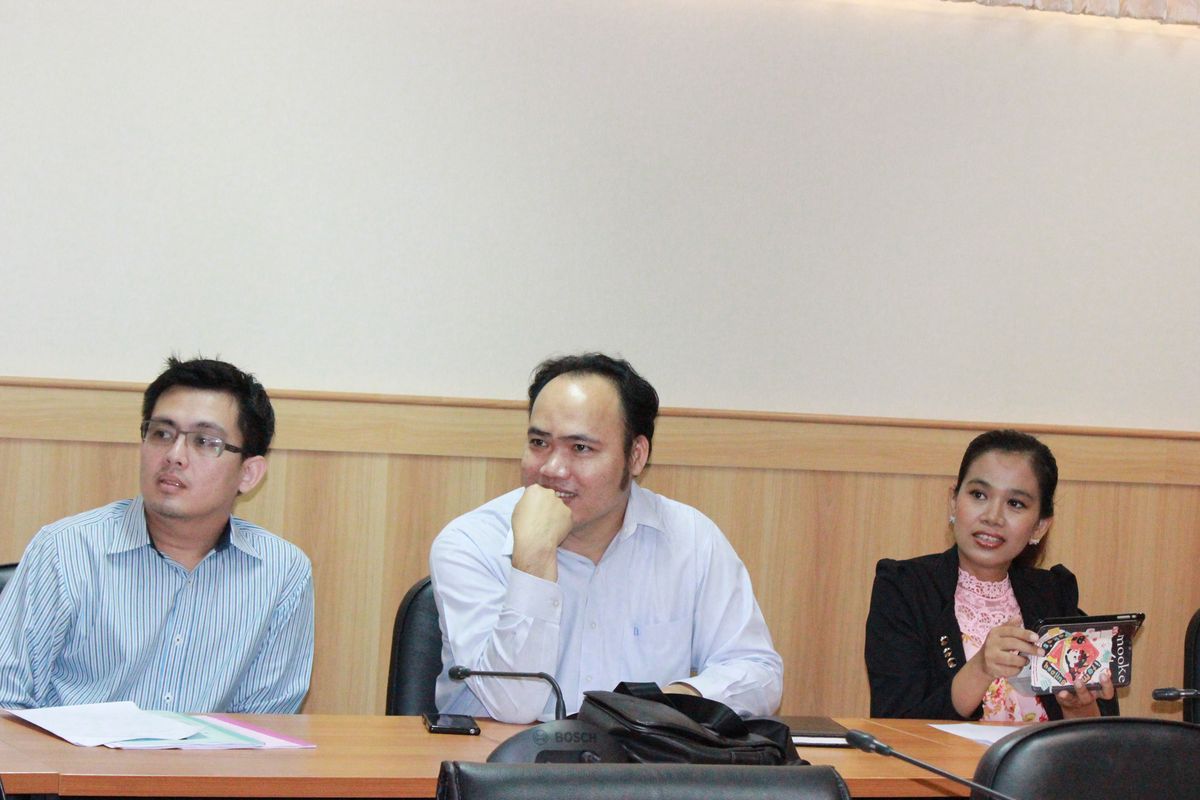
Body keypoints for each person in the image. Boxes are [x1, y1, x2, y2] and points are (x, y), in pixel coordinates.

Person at [430, 353, 782, 723]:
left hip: (638, 759)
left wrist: (666, 706)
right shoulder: (471, 544)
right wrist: (533, 560)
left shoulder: (691, 540)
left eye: (580, 448)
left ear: (636, 456)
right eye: (538, 442)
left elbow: (757, 669)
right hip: (498, 758)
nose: (551, 468)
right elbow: (512, 705)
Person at [0, 357, 314, 713]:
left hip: (211, 753)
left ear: (248, 474)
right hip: (69, 751)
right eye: (162, 434)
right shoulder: (66, 550)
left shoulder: (281, 572)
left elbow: (265, 723)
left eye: (204, 441)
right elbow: (6, 701)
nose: (174, 456)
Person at [865, 429, 1118, 721]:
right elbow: (896, 723)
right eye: (979, 495)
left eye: (1015, 503)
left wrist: (1077, 706)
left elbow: (1099, 735)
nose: (992, 517)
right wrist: (980, 669)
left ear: (1039, 526)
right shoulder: (904, 588)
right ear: (953, 502)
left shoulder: (1054, 593)